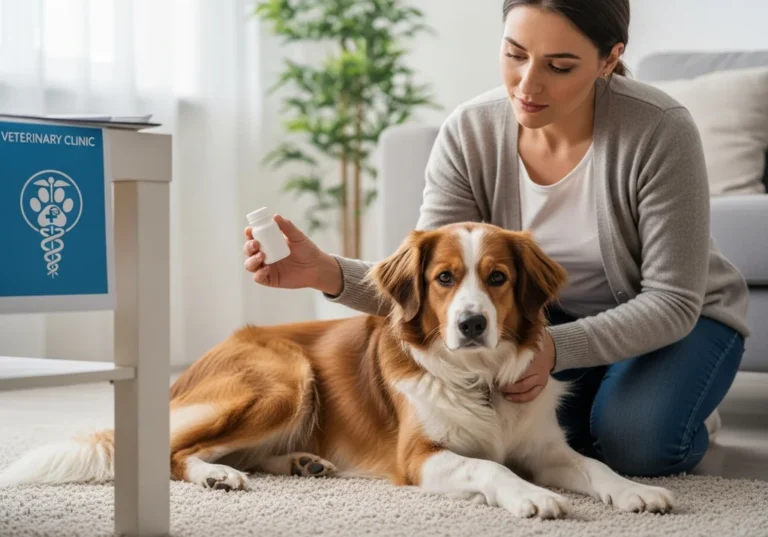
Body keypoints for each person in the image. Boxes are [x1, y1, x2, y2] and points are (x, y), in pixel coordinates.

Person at [243, 0, 750, 478]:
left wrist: (557, 348)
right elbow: (434, 281)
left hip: (679, 322)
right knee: (520, 440)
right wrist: (326, 272)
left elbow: (673, 299)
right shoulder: (470, 130)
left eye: (560, 66)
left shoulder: (660, 129)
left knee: (636, 445)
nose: (527, 84)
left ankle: (677, 401)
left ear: (609, 59)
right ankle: (623, 396)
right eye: (515, 54)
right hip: (545, 320)